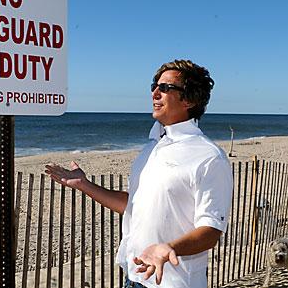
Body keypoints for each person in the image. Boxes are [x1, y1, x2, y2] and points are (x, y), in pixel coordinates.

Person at [45, 59, 233, 288]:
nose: (155, 92)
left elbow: (211, 230)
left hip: (174, 283)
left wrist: (170, 248)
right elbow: (133, 204)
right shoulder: (152, 147)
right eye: (154, 85)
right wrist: (85, 185)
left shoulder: (209, 156)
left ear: (189, 100)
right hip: (133, 278)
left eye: (165, 88)